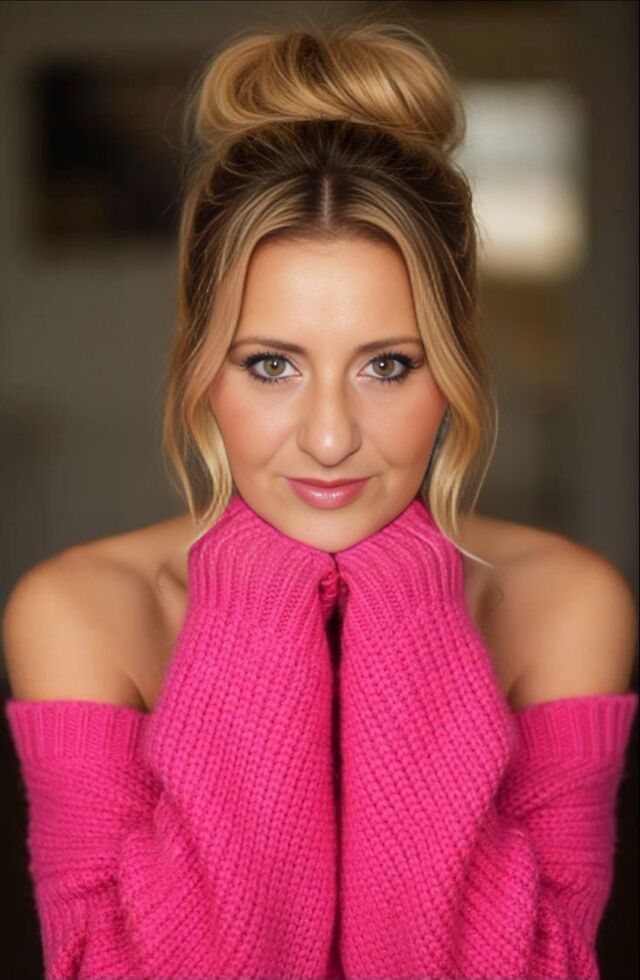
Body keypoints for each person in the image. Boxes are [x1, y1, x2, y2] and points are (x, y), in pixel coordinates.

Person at [2, 18, 637, 980]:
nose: (331, 438)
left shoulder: (568, 604)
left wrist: (408, 601)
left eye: (388, 365)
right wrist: (257, 601)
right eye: (272, 365)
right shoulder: (78, 613)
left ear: (455, 367)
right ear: (201, 365)